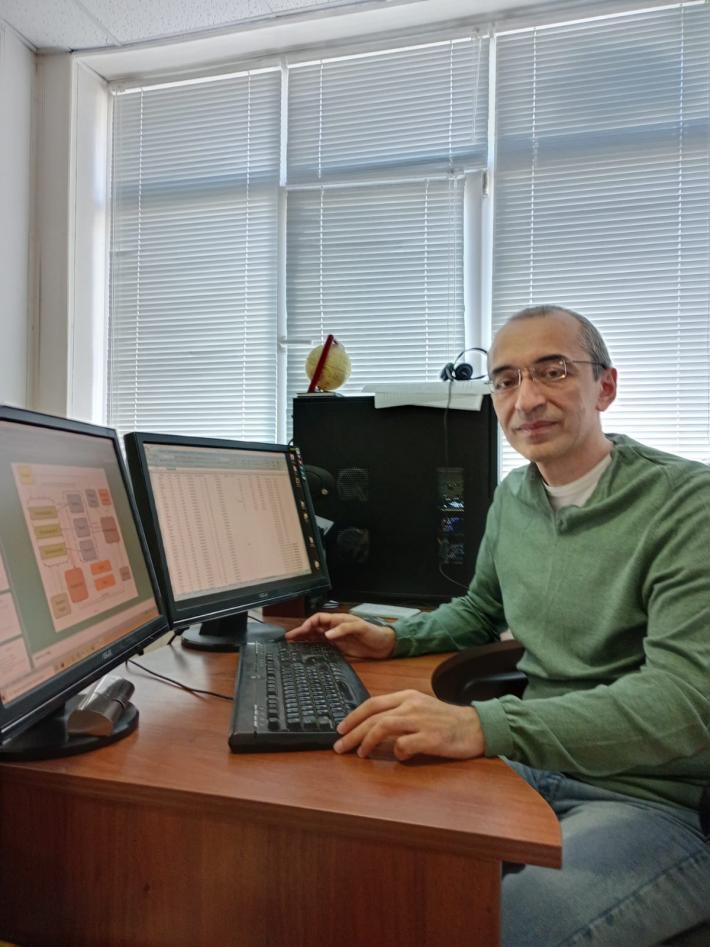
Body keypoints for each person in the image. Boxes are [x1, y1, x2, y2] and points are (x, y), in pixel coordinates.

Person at [287, 304, 710, 946]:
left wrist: (482, 725)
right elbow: (482, 609)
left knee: (490, 929)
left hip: (652, 799)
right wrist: (395, 638)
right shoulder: (516, 497)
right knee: (359, 855)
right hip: (530, 766)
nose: (527, 399)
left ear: (605, 387)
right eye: (507, 380)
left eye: (553, 371)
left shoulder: (687, 505)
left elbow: (682, 703)